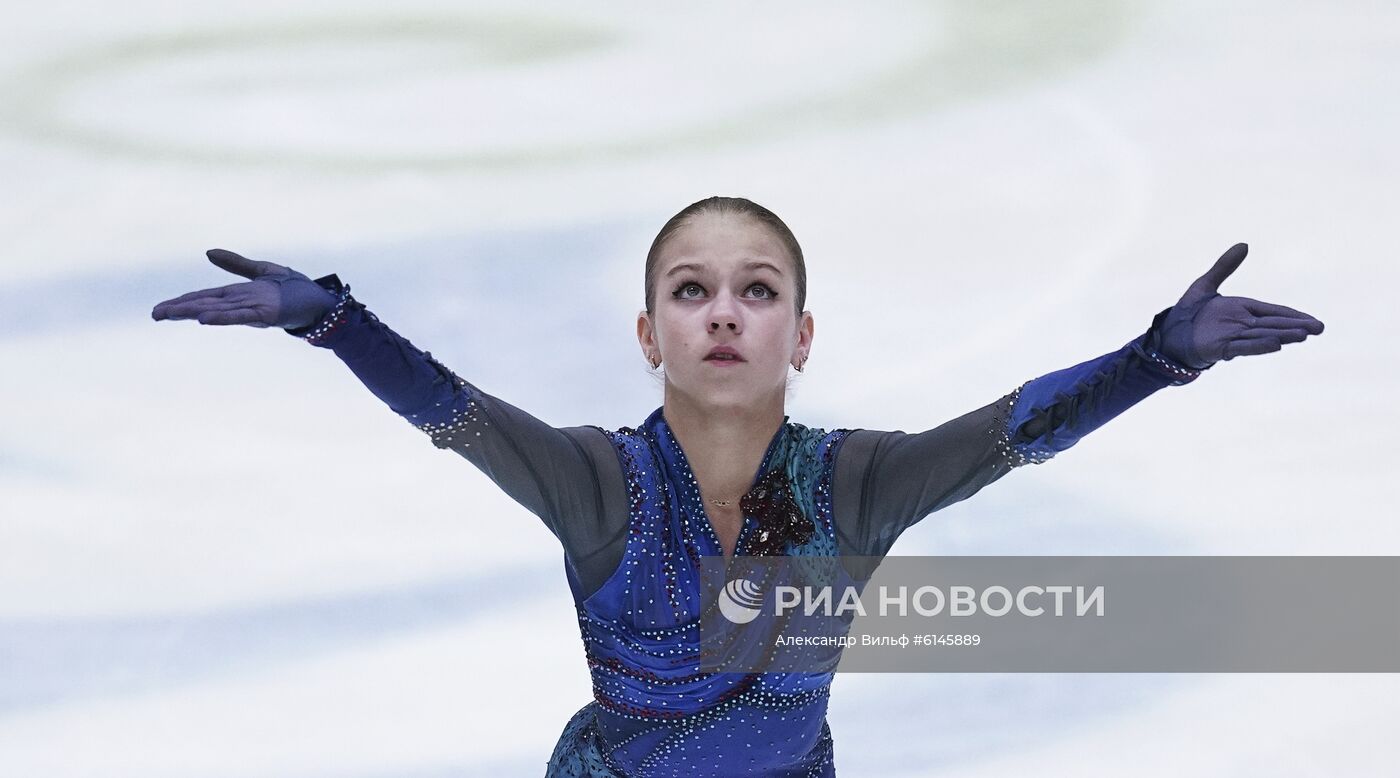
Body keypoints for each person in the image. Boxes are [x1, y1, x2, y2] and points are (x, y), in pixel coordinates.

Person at [151, 196, 1323, 777]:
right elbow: (454, 412)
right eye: (691, 289)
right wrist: (338, 326)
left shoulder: (855, 484)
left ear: (800, 334)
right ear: (647, 329)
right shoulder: (597, 479)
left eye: (756, 290)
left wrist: (1154, 358)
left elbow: (1011, 432)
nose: (722, 310)